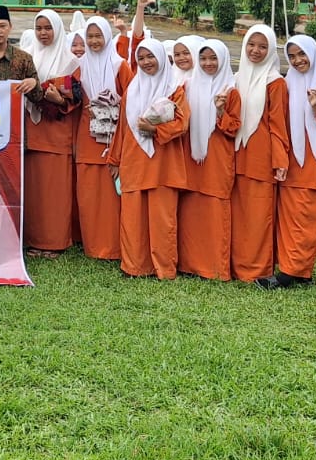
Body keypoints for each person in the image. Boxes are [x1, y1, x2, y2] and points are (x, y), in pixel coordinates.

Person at [259, 35, 316, 289]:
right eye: (293, 56)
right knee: (288, 220)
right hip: (290, 163)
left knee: (307, 219)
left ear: (313, 53)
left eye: (302, 54)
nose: (298, 61)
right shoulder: (286, 85)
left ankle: (289, 274)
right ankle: (298, 271)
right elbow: (277, 123)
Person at [107, 38, 190, 279]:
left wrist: (155, 130)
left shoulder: (174, 88)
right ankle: (134, 266)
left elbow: (182, 123)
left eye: (150, 56)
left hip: (163, 162)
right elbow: (122, 128)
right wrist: (115, 160)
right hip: (133, 161)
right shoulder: (133, 88)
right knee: (132, 217)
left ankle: (163, 268)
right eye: (141, 58)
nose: (146, 62)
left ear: (162, 58)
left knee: (162, 219)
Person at [22, 10, 83, 258]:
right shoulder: (27, 59)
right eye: (39, 28)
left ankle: (55, 242)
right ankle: (33, 240)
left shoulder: (71, 61)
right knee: (34, 192)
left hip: (57, 135)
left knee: (55, 192)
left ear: (58, 29)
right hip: (31, 134)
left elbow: (78, 98)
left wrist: (59, 99)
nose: (43, 33)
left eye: (48, 28)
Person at [230, 25, 288, 283]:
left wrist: (279, 160)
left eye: (263, 46)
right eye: (251, 44)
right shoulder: (236, 78)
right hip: (236, 154)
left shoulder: (275, 82)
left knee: (258, 215)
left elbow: (278, 125)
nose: (255, 50)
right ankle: (236, 264)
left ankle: (256, 269)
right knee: (238, 214)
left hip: (261, 158)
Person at [178, 39, 238, 281]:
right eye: (203, 58)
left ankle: (215, 267)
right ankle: (189, 264)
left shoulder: (231, 89)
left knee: (215, 208)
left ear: (223, 60)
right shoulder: (188, 85)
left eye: (213, 58)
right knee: (191, 208)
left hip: (218, 157)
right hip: (191, 157)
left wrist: (221, 111)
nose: (208, 63)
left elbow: (233, 128)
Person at [73, 15, 129, 261]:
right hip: (86, 138)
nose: (94, 41)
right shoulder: (79, 66)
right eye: (90, 37)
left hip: (114, 139)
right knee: (89, 194)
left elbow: (131, 100)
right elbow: (70, 97)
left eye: (98, 36)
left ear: (107, 37)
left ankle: (114, 247)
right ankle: (93, 247)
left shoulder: (120, 66)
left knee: (111, 196)